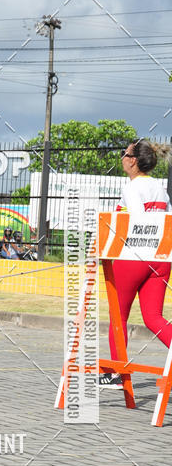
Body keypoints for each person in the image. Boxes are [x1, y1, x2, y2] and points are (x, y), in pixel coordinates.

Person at [100, 138, 172, 388]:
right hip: (160, 260)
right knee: (153, 317)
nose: (121, 157)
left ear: (132, 161)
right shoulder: (160, 188)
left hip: (134, 257)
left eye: (124, 153)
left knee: (118, 316)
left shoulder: (132, 188)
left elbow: (138, 224)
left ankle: (117, 372)